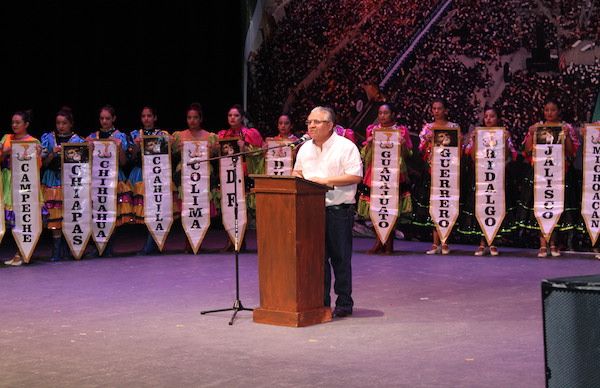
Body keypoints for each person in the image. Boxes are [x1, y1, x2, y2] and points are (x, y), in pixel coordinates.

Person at [292, 106, 362, 318]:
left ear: (330, 125)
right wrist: (298, 177)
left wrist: (325, 181)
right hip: (311, 211)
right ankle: (320, 301)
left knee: (340, 258)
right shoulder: (304, 148)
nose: (311, 126)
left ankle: (344, 301)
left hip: (338, 210)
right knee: (317, 258)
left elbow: (355, 176)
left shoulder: (345, 147)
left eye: (317, 122)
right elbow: (297, 171)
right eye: (309, 122)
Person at [519, 97, 579, 258]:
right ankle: (542, 243)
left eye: (553, 110)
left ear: (558, 111)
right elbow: (527, 150)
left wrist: (565, 136)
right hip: (540, 174)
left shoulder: (566, 127)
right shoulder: (538, 127)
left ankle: (554, 243)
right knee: (541, 206)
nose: (549, 113)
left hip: (559, 174)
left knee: (556, 207)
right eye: (546, 110)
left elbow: (571, 152)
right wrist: (531, 135)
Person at [461, 107, 517, 256]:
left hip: (497, 177)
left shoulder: (503, 134)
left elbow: (507, 156)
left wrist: (505, 140)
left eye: (492, 116)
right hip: (481, 176)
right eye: (486, 116)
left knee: (494, 207)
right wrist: (474, 140)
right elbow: (472, 157)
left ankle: (493, 242)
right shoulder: (479, 134)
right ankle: (481, 243)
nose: (488, 119)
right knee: (482, 206)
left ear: (498, 118)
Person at [358, 103, 412, 254]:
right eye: (380, 113)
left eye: (386, 113)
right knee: (376, 208)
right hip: (375, 174)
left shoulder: (401, 131)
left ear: (393, 114)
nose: (382, 116)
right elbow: (364, 155)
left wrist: (403, 146)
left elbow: (409, 155)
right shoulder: (372, 130)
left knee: (390, 207)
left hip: (394, 175)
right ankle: (379, 241)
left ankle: (389, 243)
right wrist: (368, 144)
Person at [171, 103, 219, 253]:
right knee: (187, 207)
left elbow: (217, 156)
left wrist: (214, 150)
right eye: (189, 118)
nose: (192, 121)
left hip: (203, 177)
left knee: (202, 207)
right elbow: (169, 153)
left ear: (201, 119)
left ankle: (198, 240)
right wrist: (176, 149)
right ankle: (188, 242)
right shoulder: (179, 136)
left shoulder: (209, 136)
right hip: (185, 177)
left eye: (195, 118)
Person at [415, 98, 460, 255]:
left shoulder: (453, 127)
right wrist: (426, 142)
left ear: (445, 110)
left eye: (439, 108)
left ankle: (445, 241)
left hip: (448, 173)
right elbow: (420, 150)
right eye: (434, 108)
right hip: (432, 173)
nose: (436, 111)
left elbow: (459, 150)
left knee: (446, 206)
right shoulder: (428, 128)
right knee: (434, 205)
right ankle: (435, 243)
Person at [41, 107, 85, 261]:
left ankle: (69, 247)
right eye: (58, 123)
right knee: (55, 215)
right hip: (53, 179)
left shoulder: (78, 141)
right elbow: (43, 164)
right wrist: (52, 153)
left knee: (69, 213)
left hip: (70, 181)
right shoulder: (49, 139)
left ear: (71, 124)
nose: (61, 126)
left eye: (64, 123)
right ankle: (56, 250)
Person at [86, 105, 131, 256]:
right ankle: (98, 246)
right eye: (102, 118)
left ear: (114, 119)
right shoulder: (93, 136)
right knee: (98, 211)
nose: (104, 121)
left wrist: (119, 148)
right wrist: (88, 148)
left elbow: (124, 162)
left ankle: (109, 247)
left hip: (114, 177)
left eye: (107, 118)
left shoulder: (120, 136)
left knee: (112, 212)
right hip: (98, 179)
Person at [217, 105, 264, 251]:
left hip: (244, 174)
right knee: (229, 206)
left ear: (242, 117)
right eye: (230, 115)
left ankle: (250, 241)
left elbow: (261, 151)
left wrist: (246, 148)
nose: (232, 118)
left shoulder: (250, 133)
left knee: (247, 208)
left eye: (236, 115)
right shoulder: (223, 135)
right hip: (228, 175)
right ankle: (232, 241)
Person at [127, 106, 171, 254]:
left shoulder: (162, 134)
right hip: (140, 174)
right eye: (143, 116)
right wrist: (137, 146)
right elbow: (130, 158)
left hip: (157, 174)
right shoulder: (135, 134)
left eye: (149, 116)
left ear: (154, 117)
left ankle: (153, 243)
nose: (146, 119)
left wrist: (168, 142)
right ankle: (151, 243)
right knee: (146, 210)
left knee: (157, 208)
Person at [2, 110, 43, 266]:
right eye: (13, 122)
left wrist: (38, 155)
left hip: (26, 182)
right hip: (10, 181)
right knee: (14, 219)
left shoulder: (34, 142)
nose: (14, 125)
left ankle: (23, 252)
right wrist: (4, 153)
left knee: (26, 214)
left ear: (26, 124)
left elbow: (37, 167)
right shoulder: (7, 139)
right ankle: (18, 250)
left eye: (18, 122)